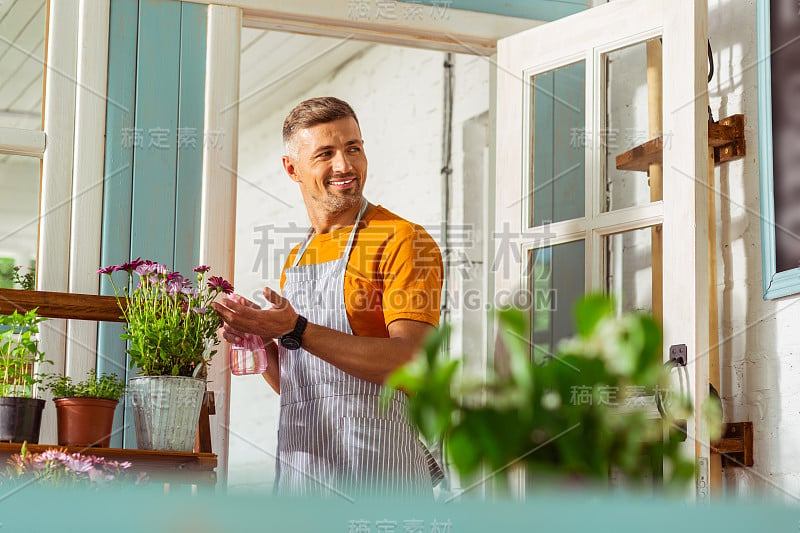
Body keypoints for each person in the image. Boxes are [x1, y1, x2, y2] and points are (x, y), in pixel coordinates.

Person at [213, 97, 444, 498]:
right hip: (304, 480)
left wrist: (297, 329)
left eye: (353, 148)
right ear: (292, 169)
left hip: (381, 475)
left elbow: (412, 361)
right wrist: (260, 337)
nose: (345, 166)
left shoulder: (402, 239)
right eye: (326, 154)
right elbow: (304, 384)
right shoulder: (297, 256)